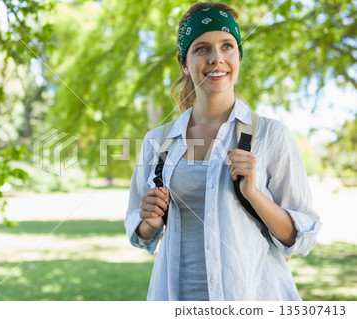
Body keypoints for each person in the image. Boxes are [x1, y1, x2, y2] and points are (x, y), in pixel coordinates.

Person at [124, 2, 322, 301]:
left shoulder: (271, 134)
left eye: (227, 46)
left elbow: (300, 239)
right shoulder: (159, 140)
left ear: (239, 55)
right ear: (184, 63)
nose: (217, 59)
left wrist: (254, 193)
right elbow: (139, 229)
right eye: (201, 48)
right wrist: (148, 224)